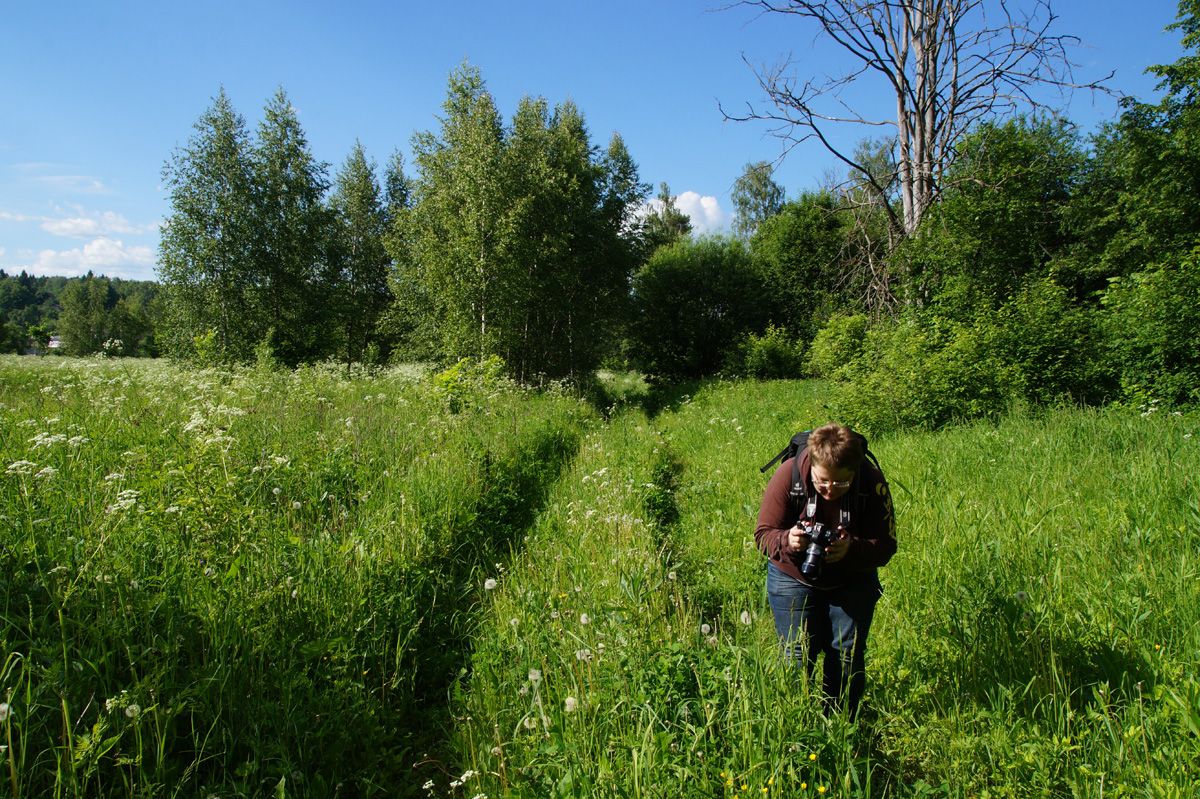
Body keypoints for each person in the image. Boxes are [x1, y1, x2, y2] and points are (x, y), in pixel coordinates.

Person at [755, 423, 896, 717]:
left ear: (855, 470)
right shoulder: (789, 474)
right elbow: (763, 534)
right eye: (822, 482)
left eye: (841, 483)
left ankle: (840, 725)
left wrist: (852, 550)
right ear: (812, 465)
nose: (830, 490)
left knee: (846, 656)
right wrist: (788, 540)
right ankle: (796, 726)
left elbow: (886, 545)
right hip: (792, 575)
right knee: (795, 655)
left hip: (853, 579)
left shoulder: (871, 481)